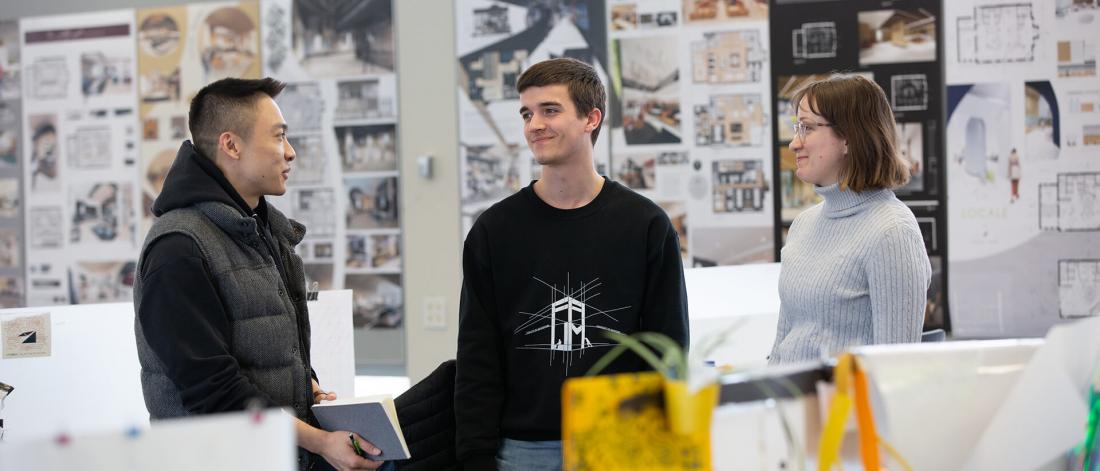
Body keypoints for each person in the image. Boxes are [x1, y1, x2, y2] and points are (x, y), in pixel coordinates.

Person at [133, 77, 391, 471]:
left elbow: (265, 347)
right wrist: (322, 442)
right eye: (279, 137)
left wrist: (304, 384)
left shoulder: (262, 230)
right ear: (231, 145)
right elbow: (214, 393)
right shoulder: (178, 250)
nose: (290, 153)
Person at [454, 57, 690, 471]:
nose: (534, 125)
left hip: (618, 446)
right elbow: (478, 355)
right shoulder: (494, 230)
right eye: (527, 113)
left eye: (550, 110)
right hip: (521, 451)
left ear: (591, 118)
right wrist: (474, 455)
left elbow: (667, 350)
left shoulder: (646, 225)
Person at [768, 74, 931, 365]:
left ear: (849, 138)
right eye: (797, 128)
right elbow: (783, 344)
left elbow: (894, 369)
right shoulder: (803, 225)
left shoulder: (892, 232)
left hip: (845, 409)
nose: (794, 143)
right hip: (795, 404)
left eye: (807, 128)